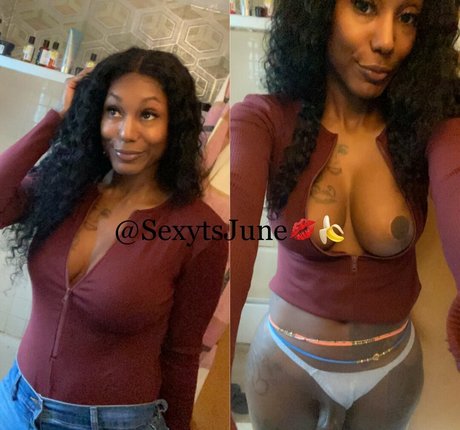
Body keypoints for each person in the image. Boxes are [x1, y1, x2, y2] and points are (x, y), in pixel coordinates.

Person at [231, 0, 459, 429]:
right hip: (285, 367)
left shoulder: (431, 128)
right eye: (365, 6)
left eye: (407, 17)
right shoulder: (263, 120)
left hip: (391, 372)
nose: (388, 41)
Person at [0, 47, 228, 430]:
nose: (126, 132)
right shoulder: (68, 189)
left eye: (148, 114)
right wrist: (58, 120)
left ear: (175, 125)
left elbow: (181, 356)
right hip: (16, 402)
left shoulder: (199, 231)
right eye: (113, 111)